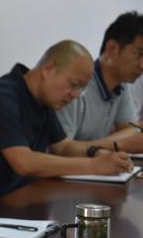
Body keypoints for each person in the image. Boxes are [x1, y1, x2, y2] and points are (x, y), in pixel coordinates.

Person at [0, 40, 133, 205]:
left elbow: (64, 147)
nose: (76, 95)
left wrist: (97, 153)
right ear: (49, 69)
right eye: (74, 84)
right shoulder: (1, 98)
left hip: (20, 199)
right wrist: (96, 166)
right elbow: (25, 163)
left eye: (81, 89)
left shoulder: (42, 100)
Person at [56, 11, 143, 152]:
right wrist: (118, 144)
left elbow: (132, 130)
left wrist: (99, 146)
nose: (142, 65)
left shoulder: (122, 84)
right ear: (111, 49)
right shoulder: (76, 85)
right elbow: (62, 150)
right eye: (139, 54)